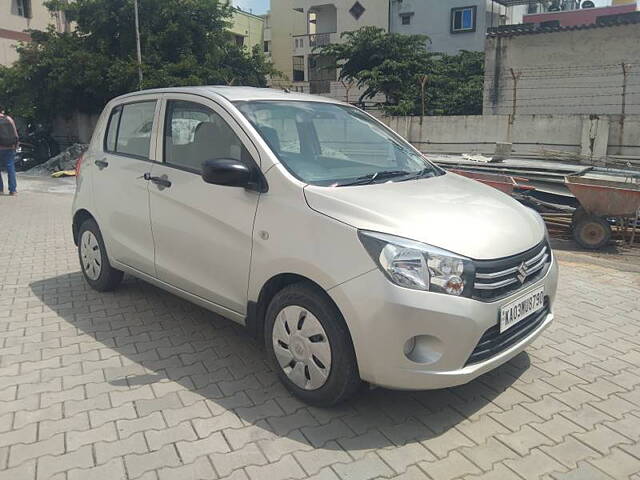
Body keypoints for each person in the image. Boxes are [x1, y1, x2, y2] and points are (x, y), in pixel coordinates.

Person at [0, 106, 19, 195]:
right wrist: (16, 144)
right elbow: (15, 133)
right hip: (10, 147)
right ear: (2, 111)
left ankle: (0, 189)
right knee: (10, 168)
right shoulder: (9, 119)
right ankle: (13, 190)